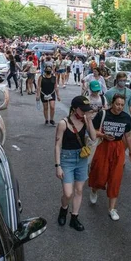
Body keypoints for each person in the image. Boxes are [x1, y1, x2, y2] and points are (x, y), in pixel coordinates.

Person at [88, 93, 131, 221]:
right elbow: (92, 131)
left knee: (115, 178)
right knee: (100, 174)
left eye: (122, 105)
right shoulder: (103, 114)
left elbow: (128, 135)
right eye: (117, 104)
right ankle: (94, 190)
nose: (119, 107)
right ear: (112, 103)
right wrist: (103, 135)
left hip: (118, 148)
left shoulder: (126, 117)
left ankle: (112, 209)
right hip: (103, 146)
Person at [54, 96, 97, 231]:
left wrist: (89, 120)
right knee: (68, 193)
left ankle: (74, 217)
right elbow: (57, 145)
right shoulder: (63, 123)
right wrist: (58, 166)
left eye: (86, 110)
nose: (85, 112)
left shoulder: (85, 120)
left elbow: (94, 137)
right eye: (82, 110)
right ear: (74, 109)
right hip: (67, 159)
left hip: (82, 158)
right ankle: (64, 209)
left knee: (79, 190)